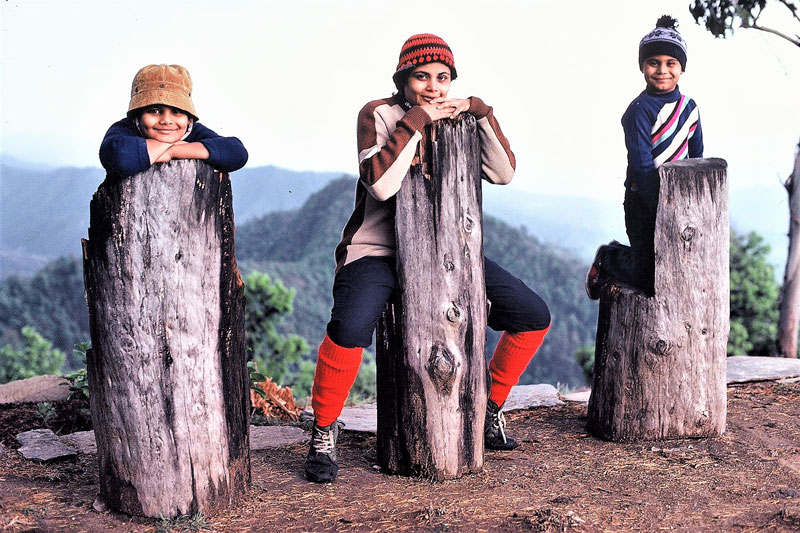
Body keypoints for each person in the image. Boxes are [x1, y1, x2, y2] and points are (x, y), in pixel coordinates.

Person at [304, 33, 551, 483]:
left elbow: (503, 173)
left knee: (532, 315)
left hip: (449, 251)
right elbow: (381, 185)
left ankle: (489, 409)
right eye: (422, 77)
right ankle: (323, 429)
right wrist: (417, 120)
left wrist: (479, 110)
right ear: (404, 79)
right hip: (377, 251)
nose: (433, 87)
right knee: (349, 328)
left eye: (442, 77)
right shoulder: (378, 113)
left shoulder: (461, 117)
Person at [585, 16, 703, 299]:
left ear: (682, 67)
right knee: (650, 275)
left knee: (676, 266)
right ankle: (609, 258)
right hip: (643, 200)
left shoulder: (690, 108)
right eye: (653, 63)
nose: (662, 70)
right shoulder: (639, 109)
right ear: (642, 66)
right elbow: (641, 164)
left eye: (671, 63)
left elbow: (697, 157)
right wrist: (659, 207)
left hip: (679, 201)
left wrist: (690, 204)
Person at [100, 64, 248, 177]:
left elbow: (237, 152)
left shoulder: (191, 130)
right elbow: (121, 158)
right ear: (137, 115)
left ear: (189, 118)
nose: (166, 120)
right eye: (154, 111)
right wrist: (180, 148)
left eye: (177, 111)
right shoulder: (125, 129)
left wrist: (172, 151)